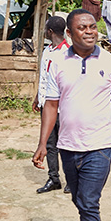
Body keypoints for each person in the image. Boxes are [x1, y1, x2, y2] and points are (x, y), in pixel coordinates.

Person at [32, 9, 111, 221]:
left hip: (100, 146)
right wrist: (42, 143)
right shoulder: (57, 63)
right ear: (70, 33)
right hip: (67, 146)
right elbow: (51, 105)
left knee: (89, 202)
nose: (90, 32)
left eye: (92, 26)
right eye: (82, 28)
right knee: (79, 200)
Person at [32, 16, 71, 194]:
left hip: (63, 108)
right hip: (46, 105)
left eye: (45, 29)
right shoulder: (47, 50)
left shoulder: (68, 53)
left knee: (67, 145)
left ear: (50, 32)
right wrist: (37, 97)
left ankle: (72, 179)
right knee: (49, 143)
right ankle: (54, 178)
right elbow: (44, 78)